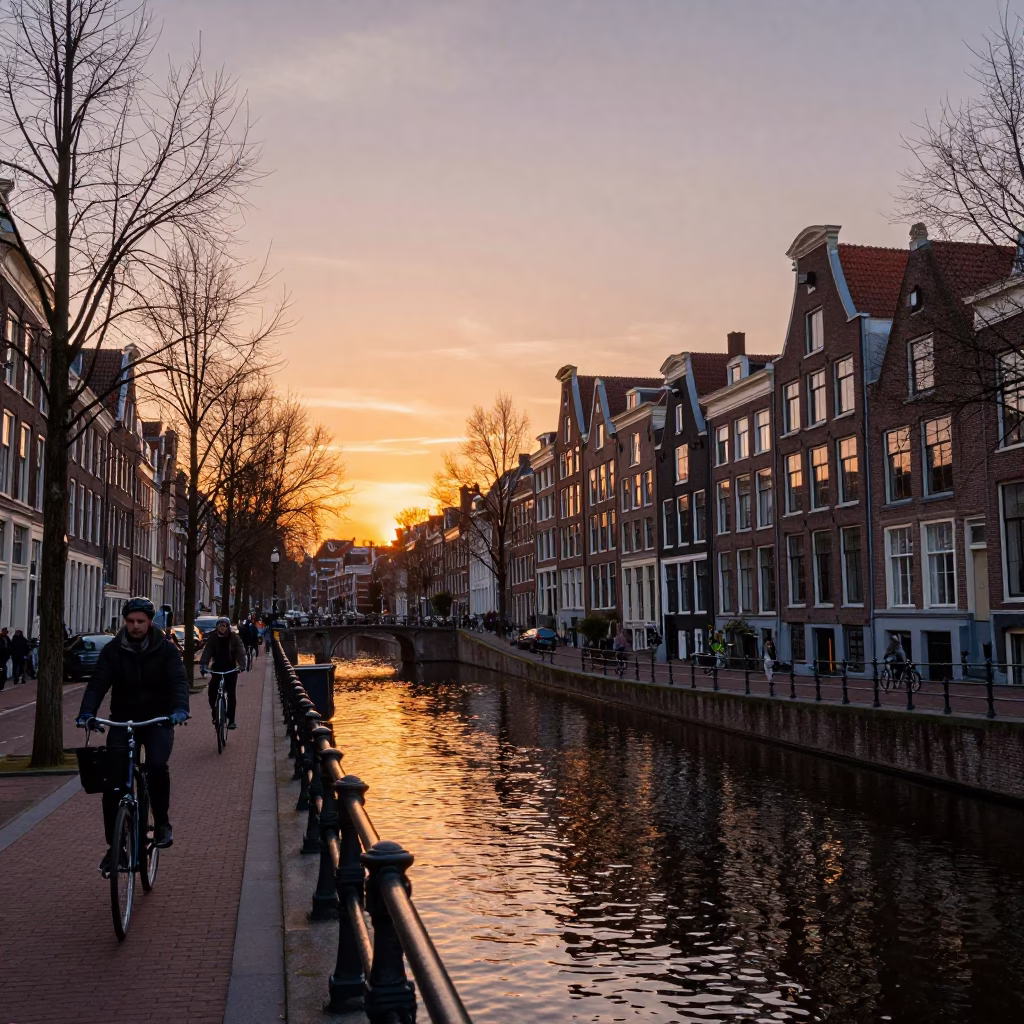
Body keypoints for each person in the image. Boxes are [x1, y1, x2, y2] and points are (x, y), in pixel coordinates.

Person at [75, 597, 189, 872]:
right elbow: (98, 682)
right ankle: (116, 847)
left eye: (140, 621)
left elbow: (178, 681)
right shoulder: (114, 650)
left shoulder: (166, 649)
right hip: (122, 720)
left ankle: (161, 823)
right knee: (112, 784)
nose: (135, 626)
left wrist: (179, 709)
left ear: (150, 622)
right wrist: (87, 713)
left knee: (156, 766)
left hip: (157, 719)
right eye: (130, 621)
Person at [199, 617, 247, 729]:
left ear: (228, 627)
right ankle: (215, 711)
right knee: (211, 691)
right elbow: (207, 651)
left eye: (224, 626)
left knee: (231, 694)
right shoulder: (213, 638)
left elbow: (240, 651)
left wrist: (242, 664)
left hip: (230, 669)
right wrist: (203, 665)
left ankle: (231, 720)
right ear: (217, 627)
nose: (222, 628)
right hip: (217, 669)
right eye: (220, 626)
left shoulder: (234, 638)